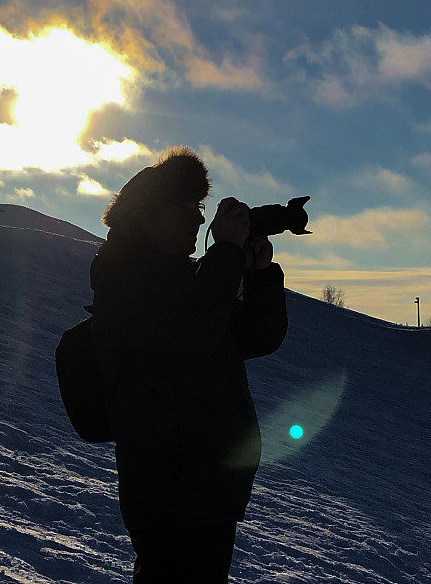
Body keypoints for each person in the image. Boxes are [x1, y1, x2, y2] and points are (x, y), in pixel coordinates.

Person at [89, 146, 288, 582]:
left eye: (200, 207)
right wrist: (225, 256)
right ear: (147, 216)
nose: (199, 220)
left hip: (207, 489)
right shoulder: (124, 280)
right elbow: (192, 337)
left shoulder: (185, 279)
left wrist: (258, 275)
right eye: (186, 207)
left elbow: (257, 338)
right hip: (171, 491)